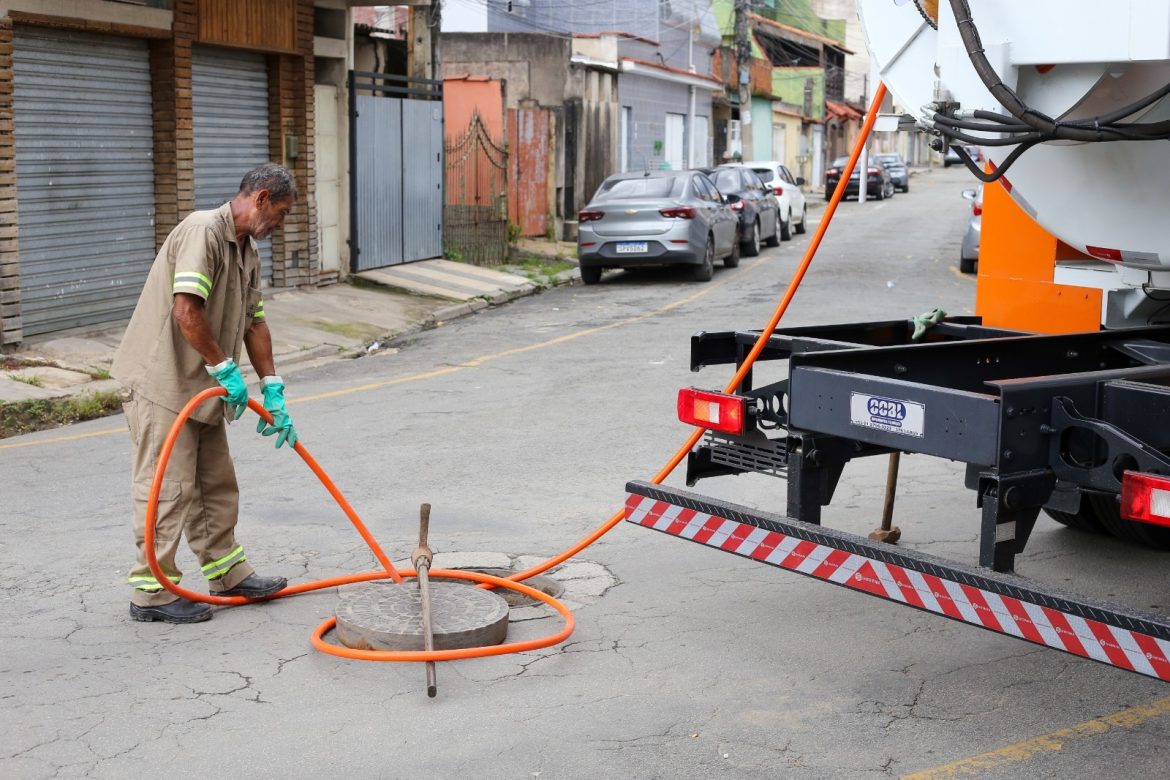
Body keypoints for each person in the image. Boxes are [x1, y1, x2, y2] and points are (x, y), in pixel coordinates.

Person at [112, 163, 300, 624]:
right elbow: (186, 310)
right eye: (279, 212)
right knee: (168, 486)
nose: (281, 224)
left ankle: (227, 571)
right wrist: (225, 368)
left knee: (215, 482)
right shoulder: (203, 231)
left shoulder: (247, 250)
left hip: (205, 386)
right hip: (164, 382)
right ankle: (151, 592)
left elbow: (255, 322)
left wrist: (271, 388)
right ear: (258, 199)